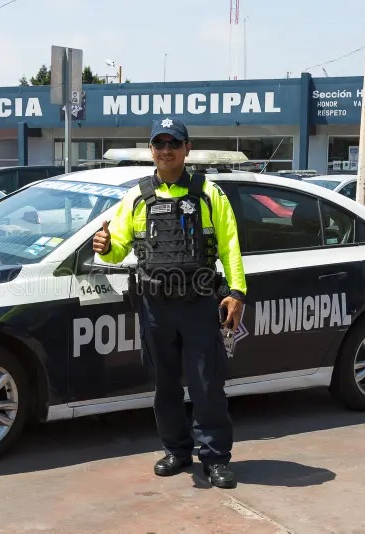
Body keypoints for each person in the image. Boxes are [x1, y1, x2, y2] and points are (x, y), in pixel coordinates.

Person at [92, 117, 247, 488]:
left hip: (198, 306)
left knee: (206, 385)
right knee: (165, 386)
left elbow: (230, 246)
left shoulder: (210, 193)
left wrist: (236, 292)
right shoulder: (136, 197)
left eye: (173, 143)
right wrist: (106, 246)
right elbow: (116, 250)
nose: (166, 150)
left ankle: (214, 459)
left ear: (186, 149)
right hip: (155, 307)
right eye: (159, 144)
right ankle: (177, 452)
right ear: (151, 150)